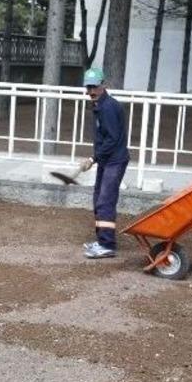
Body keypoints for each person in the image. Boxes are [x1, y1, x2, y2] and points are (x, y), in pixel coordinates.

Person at [79, 67, 129, 259]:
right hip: (107, 160)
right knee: (98, 198)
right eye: (88, 87)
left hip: (114, 161)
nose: (90, 91)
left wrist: (93, 159)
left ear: (103, 85)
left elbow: (112, 139)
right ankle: (101, 241)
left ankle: (107, 245)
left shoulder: (107, 107)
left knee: (105, 201)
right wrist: (97, 158)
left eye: (94, 87)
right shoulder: (100, 104)